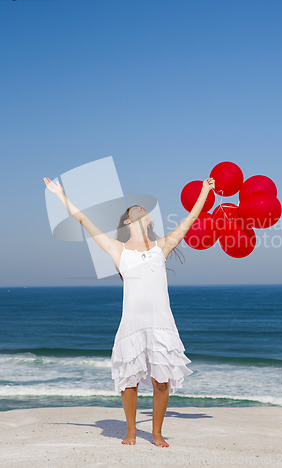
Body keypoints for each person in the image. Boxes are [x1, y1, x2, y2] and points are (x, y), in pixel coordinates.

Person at [43, 176, 215, 447]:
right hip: (132, 324)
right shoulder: (117, 249)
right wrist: (61, 195)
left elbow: (191, 218)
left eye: (144, 209)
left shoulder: (163, 246)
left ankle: (157, 433)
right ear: (127, 221)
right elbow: (84, 222)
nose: (142, 209)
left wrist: (205, 191)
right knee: (129, 382)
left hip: (161, 324)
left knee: (162, 382)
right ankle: (131, 431)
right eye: (136, 208)